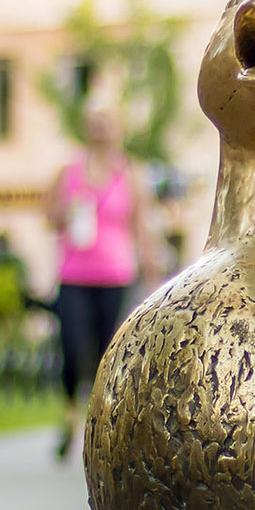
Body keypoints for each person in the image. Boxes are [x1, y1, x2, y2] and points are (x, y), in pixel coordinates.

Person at [48, 100, 154, 462]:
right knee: (74, 347)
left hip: (115, 275)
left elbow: (141, 226)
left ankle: (99, 425)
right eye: (94, 122)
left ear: (118, 129)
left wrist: (153, 274)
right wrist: (65, 210)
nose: (101, 129)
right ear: (86, 128)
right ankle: (68, 416)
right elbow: (49, 216)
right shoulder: (69, 172)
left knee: (108, 353)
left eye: (107, 122)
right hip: (74, 275)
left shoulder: (130, 173)